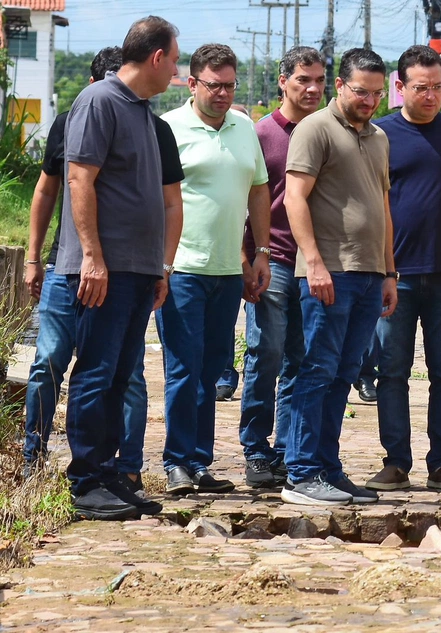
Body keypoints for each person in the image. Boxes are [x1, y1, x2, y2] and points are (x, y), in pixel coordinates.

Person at [22, 47, 184, 496]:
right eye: (173, 59)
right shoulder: (96, 103)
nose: (176, 69)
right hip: (95, 270)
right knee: (81, 369)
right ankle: (83, 478)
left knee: (118, 374)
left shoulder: (149, 119)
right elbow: (72, 182)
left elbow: (167, 201)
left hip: (138, 270)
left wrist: (161, 267)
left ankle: (113, 476)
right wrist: (85, 256)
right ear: (155, 57)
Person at [282, 47, 397, 506]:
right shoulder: (316, 129)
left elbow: (384, 208)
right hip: (330, 273)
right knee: (316, 372)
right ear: (340, 86)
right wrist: (313, 263)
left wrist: (390, 270)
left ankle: (327, 468)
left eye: (377, 93)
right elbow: (294, 198)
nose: (369, 101)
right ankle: (301, 472)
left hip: (369, 274)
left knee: (344, 372)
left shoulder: (378, 137)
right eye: (360, 92)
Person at [159, 43, 271, 495]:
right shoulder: (169, 128)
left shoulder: (244, 128)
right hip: (183, 266)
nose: (223, 94)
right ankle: (176, 463)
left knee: (211, 370)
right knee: (183, 369)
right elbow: (156, 200)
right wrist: (160, 265)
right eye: (214, 85)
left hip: (228, 270)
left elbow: (259, 190)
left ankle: (199, 462)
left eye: (230, 85)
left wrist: (258, 252)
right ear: (192, 84)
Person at [363, 45, 441, 492]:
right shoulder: (379, 135)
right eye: (422, 87)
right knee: (392, 372)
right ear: (400, 87)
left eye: (438, 87)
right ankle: (396, 461)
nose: (432, 96)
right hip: (396, 275)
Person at [239, 46, 327, 489]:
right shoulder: (259, 134)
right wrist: (245, 256)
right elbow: (244, 199)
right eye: (302, 80)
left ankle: (289, 450)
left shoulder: (329, 132)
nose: (312, 89)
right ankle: (256, 449)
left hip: (314, 264)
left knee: (302, 360)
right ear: (283, 82)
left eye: (318, 81)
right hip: (270, 258)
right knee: (265, 355)